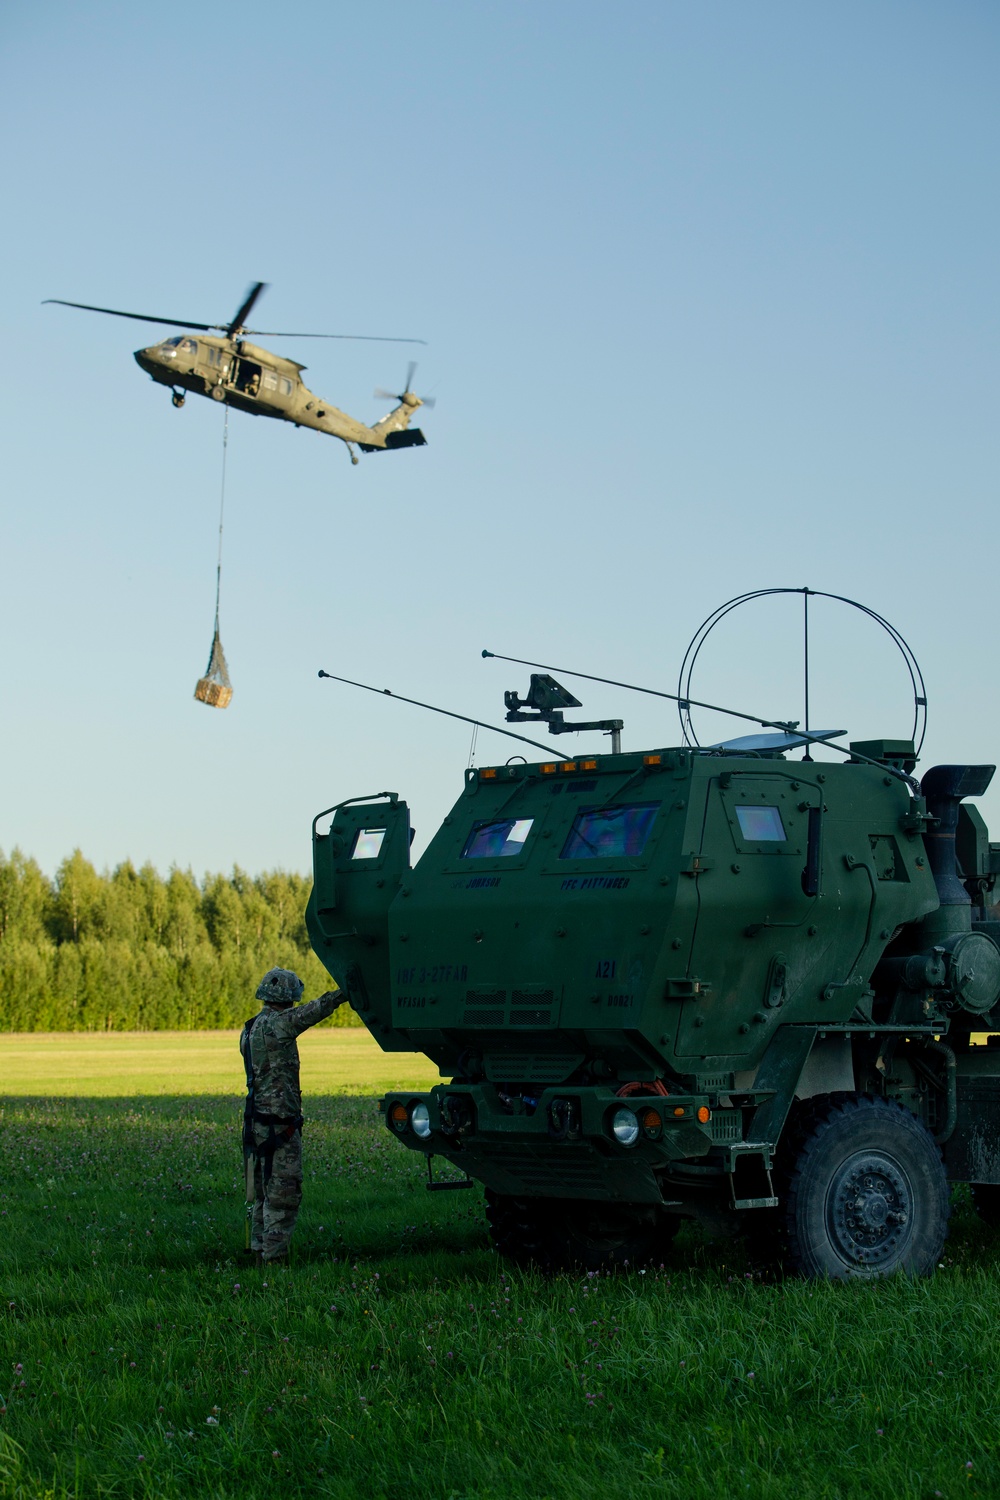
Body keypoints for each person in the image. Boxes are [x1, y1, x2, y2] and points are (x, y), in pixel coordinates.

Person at [240, 967, 344, 1265]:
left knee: (261, 1194)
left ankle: (259, 1254)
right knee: (283, 1195)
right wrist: (342, 994)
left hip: (255, 1124)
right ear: (288, 998)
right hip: (279, 1126)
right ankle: (275, 1262)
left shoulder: (249, 1028)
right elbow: (314, 1011)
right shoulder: (279, 1025)